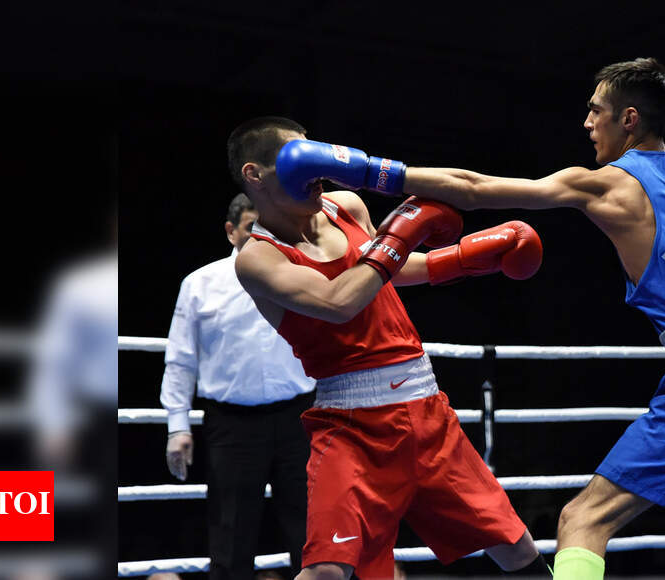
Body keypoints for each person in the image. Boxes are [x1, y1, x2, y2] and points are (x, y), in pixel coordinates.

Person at [276, 57, 665, 579]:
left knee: (582, 520)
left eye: (597, 109)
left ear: (629, 117)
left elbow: (471, 184)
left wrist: (358, 167)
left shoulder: (606, 185)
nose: (586, 121)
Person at [227, 116, 551, 580]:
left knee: (514, 544)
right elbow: (338, 301)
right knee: (325, 571)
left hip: (425, 410)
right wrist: (402, 232)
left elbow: (386, 270)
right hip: (352, 427)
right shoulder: (259, 258)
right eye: (301, 160)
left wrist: (457, 261)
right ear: (255, 175)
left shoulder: (346, 205)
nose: (317, 172)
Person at [160, 193, 316, 580]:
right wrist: (178, 425)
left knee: (312, 530)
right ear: (231, 232)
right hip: (231, 425)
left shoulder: (302, 273)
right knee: (231, 533)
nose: (261, 237)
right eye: (251, 228)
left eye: (267, 228)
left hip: (299, 417)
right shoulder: (200, 284)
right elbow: (181, 358)